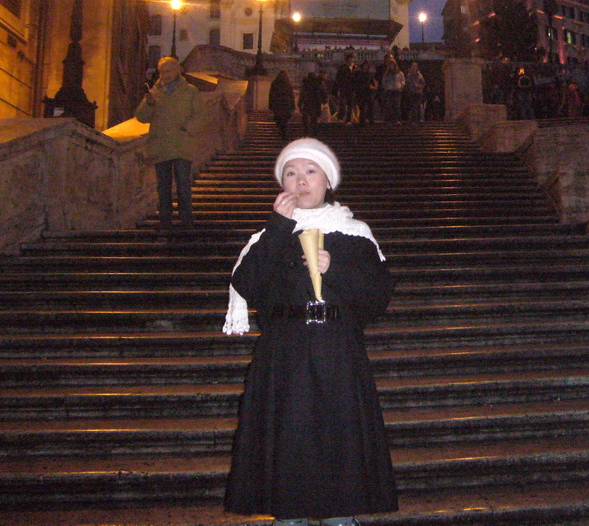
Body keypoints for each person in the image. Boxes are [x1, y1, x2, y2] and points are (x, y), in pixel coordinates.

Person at [223, 138, 398, 524]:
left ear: (327, 180)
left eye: (310, 171)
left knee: (340, 451)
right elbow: (247, 284)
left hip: (338, 352)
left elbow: (378, 296)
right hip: (283, 356)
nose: (300, 181)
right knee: (288, 451)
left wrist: (336, 267)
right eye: (291, 172)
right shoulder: (269, 234)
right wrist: (277, 227)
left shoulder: (354, 232)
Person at [134, 57, 207, 229]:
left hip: (182, 145)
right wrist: (148, 104)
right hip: (161, 146)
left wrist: (188, 128)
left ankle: (186, 219)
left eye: (168, 71)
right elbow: (141, 117)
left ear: (177, 70)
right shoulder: (155, 93)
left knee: (183, 183)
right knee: (163, 186)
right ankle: (165, 220)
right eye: (162, 72)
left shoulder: (190, 91)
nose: (165, 75)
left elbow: (200, 115)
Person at [269, 70, 296, 140]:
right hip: (286, 105)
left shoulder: (275, 84)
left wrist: (271, 105)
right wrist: (293, 106)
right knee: (285, 120)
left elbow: (271, 95)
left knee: (279, 119)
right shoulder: (288, 84)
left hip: (277, 105)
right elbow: (291, 96)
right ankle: (284, 132)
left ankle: (281, 131)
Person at [298, 71, 326, 137]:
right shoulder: (319, 83)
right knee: (315, 119)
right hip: (317, 104)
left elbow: (302, 95)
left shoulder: (305, 84)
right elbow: (324, 94)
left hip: (307, 103)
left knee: (306, 118)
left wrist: (299, 104)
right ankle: (314, 133)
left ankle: (306, 132)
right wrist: (323, 102)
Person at [381, 58, 404, 124]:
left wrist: (400, 86)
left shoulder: (399, 73)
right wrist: (386, 87)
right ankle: (389, 119)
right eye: (390, 65)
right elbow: (384, 81)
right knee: (389, 105)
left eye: (393, 65)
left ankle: (397, 119)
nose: (392, 66)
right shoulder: (387, 73)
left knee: (396, 105)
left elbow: (403, 81)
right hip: (389, 91)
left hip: (397, 90)